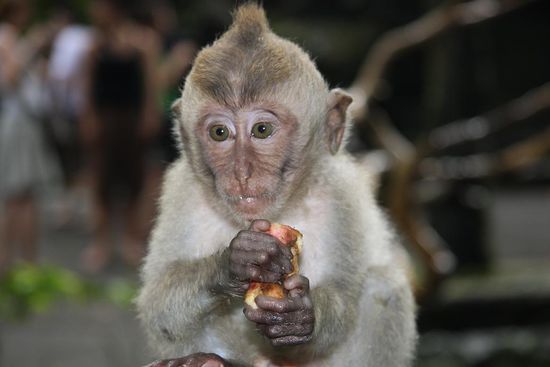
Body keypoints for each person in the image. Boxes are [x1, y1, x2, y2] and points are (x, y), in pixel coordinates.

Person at [79, 0, 161, 272]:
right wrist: (88, 117)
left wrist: (150, 114)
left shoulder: (144, 42)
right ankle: (101, 242)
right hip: (105, 120)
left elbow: (151, 85)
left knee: (133, 180)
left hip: (131, 119)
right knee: (101, 181)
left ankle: (129, 238)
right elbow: (87, 86)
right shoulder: (95, 45)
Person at [0, 0, 61, 270]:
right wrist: (32, 45)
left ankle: (21, 261)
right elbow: (10, 77)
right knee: (18, 195)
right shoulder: (7, 36)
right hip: (18, 121)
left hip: (19, 120)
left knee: (22, 195)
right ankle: (16, 262)